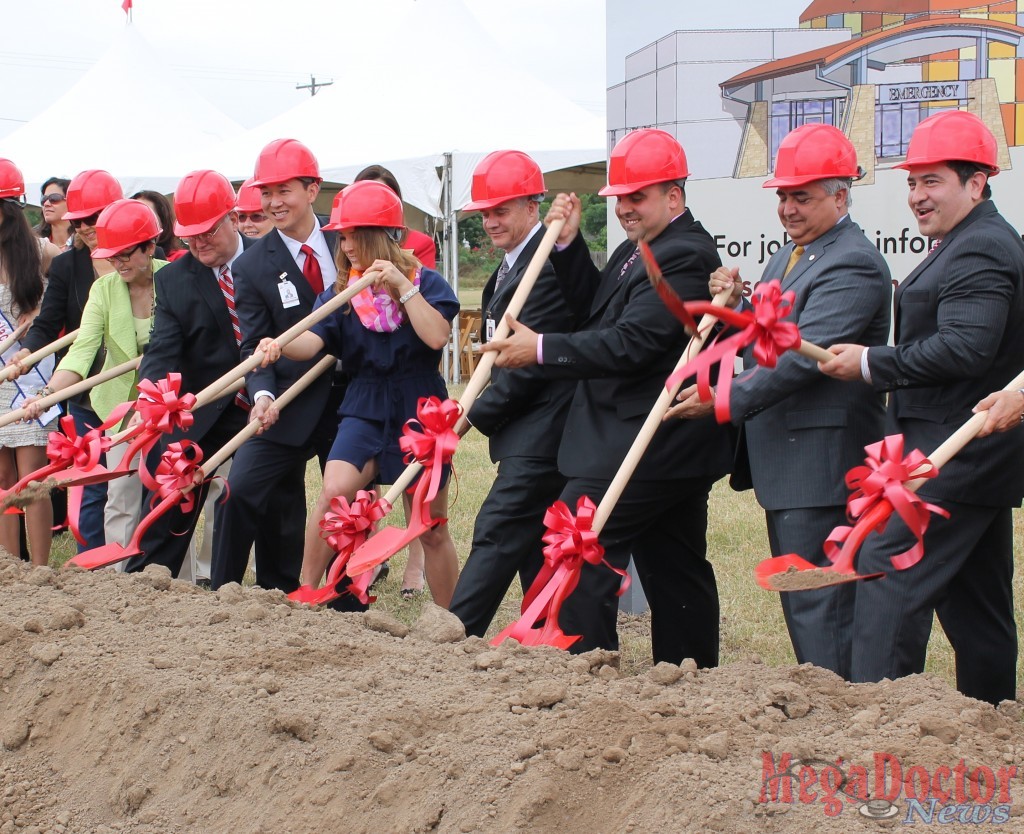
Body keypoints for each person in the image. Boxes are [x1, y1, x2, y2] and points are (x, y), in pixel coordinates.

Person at [483, 129, 732, 665]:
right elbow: (598, 312)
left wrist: (542, 349)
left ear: (674, 195)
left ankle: (585, 669)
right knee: (674, 565)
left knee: (578, 552)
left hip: (641, 440)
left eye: (635, 197)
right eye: (619, 198)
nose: (623, 208)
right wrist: (571, 248)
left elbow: (633, 344)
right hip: (647, 439)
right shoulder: (641, 246)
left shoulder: (683, 254)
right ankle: (689, 674)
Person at [666, 124, 891, 677]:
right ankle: (829, 703)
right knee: (804, 597)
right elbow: (771, 340)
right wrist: (739, 301)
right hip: (790, 463)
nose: (788, 209)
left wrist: (721, 398)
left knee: (821, 602)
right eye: (784, 196)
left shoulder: (852, 262)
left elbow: (798, 363)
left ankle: (839, 713)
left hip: (821, 464)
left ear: (841, 196)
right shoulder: (793, 256)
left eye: (803, 197)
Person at [819, 110, 1024, 705]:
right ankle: (993, 719)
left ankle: (877, 725)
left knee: (886, 575)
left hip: (956, 457)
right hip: (966, 458)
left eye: (932, 181)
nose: (917, 196)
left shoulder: (980, 247)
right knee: (976, 602)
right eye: (912, 182)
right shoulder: (966, 241)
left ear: (976, 183)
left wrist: (869, 363)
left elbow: (965, 347)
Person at [258, 180, 460, 606]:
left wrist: (403, 288)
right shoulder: (341, 294)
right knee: (334, 491)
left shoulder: (427, 282)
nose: (347, 245)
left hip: (420, 409)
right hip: (364, 403)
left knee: (431, 522)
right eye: (342, 236)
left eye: (355, 234)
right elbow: (310, 343)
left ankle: (452, 620)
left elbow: (437, 336)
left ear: (381, 235)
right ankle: (307, 592)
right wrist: (276, 345)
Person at [447, 150, 576, 636]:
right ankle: (547, 641)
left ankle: (451, 637)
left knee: (499, 530)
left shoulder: (544, 265)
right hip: (525, 430)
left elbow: (527, 369)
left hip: (545, 432)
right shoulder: (508, 268)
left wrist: (467, 417)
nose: (491, 221)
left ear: (532, 207)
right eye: (485, 212)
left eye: (501, 210)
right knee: (531, 547)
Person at [212, 138, 344, 594]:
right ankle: (222, 595)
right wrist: (262, 397)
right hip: (288, 399)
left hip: (353, 401)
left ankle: (345, 598)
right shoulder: (250, 266)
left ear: (313, 189)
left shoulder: (346, 239)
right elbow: (255, 344)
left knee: (347, 506)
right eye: (266, 192)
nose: (272, 203)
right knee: (241, 490)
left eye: (283, 190)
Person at [123, 171, 257, 581]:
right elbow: (162, 351)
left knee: (253, 499)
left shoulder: (268, 261)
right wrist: (150, 404)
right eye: (189, 236)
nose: (198, 244)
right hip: (204, 407)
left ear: (233, 218)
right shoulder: (175, 280)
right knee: (168, 493)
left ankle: (242, 589)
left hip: (269, 401)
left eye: (208, 232)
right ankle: (145, 586)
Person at [23, 199, 167, 556]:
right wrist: (47, 393)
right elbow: (82, 351)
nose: (116, 264)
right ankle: (115, 579)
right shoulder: (103, 290)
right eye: (111, 255)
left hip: (170, 404)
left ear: (149, 246)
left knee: (167, 494)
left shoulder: (175, 280)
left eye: (125, 255)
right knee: (118, 496)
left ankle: (173, 579)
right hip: (119, 408)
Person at [10, 169, 124, 552]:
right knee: (89, 485)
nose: (88, 228)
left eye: (96, 218)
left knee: (129, 484)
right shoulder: (67, 265)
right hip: (84, 388)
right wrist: (28, 352)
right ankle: (90, 567)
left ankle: (135, 570)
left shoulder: (146, 260)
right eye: (80, 221)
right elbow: (48, 322)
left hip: (135, 392)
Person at [351, 164, 434, 597]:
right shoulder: (348, 253)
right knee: (361, 478)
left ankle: (415, 568)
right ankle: (368, 556)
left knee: (413, 485)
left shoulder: (418, 249)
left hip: (409, 380)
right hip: (366, 382)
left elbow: (428, 318)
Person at [0, 159, 61, 565]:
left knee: (33, 479)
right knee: (3, 482)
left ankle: (40, 569)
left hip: (30, 378)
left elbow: (80, 280)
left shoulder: (40, 251)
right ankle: (9, 566)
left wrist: (41, 314)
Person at [353, 165, 437, 268]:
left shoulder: (420, 243)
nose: (373, 202)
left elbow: (426, 282)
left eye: (381, 195)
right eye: (366, 196)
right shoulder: (348, 242)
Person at [132, 190, 186, 261]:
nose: (140, 223)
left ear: (163, 221)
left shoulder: (182, 259)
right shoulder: (120, 262)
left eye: (146, 216)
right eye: (133, 216)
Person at [35, 177, 72, 250]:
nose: (46, 204)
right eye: (44, 199)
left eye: (54, 198)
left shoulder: (86, 241)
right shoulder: (35, 243)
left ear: (71, 202)